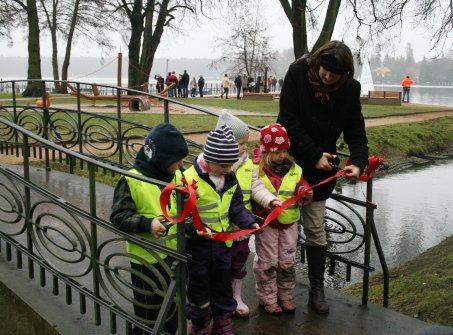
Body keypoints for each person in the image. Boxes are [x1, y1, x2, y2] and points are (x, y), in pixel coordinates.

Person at [277, 40, 369, 314]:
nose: (326, 76)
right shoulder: (297, 74)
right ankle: (278, 287)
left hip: (320, 173)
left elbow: (355, 129)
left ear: (345, 75)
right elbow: (287, 121)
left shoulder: (350, 90)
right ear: (316, 62)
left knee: (316, 230)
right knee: (281, 230)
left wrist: (359, 162)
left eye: (333, 73)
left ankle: (316, 288)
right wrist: (314, 152)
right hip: (287, 166)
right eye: (323, 69)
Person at [110, 123, 189, 335]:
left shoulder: (173, 175)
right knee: (149, 311)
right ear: (161, 158)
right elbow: (118, 216)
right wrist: (146, 224)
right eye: (178, 159)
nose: (182, 164)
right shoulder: (132, 180)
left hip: (172, 254)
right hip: (146, 261)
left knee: (171, 305)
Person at [183, 124, 262, 335]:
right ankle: (200, 323)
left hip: (221, 246)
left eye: (231, 165)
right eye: (224, 166)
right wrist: (193, 229)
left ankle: (222, 320)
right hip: (197, 247)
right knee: (198, 286)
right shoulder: (189, 178)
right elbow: (182, 213)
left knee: (222, 284)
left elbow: (236, 206)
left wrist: (248, 221)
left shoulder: (229, 177)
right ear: (209, 160)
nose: (229, 170)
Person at [215, 111, 281, 318]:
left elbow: (256, 186)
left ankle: (236, 296)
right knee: (220, 266)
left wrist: (270, 200)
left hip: (241, 227)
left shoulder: (248, 166)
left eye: (245, 143)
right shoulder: (216, 167)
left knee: (238, 262)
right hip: (220, 229)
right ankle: (221, 300)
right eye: (240, 143)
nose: (245, 147)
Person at [252, 123, 313, 316]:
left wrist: (305, 192)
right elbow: (253, 192)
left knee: (287, 261)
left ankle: (285, 295)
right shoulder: (256, 170)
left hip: (289, 223)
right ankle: (268, 298)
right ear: (266, 152)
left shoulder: (295, 169)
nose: (282, 155)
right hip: (267, 223)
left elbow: (302, 185)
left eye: (285, 150)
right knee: (267, 262)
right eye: (278, 151)